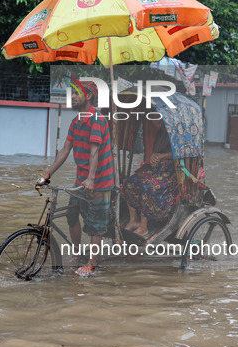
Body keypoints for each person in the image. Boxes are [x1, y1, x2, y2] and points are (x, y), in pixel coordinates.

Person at [41, 81, 114, 277]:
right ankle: (76, 252)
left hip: (99, 181)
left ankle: (91, 264)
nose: (72, 96)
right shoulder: (76, 122)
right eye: (71, 93)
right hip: (81, 179)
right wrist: (48, 174)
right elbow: (65, 150)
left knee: (95, 225)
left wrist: (91, 179)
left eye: (76, 93)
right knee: (72, 215)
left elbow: (95, 151)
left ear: (88, 96)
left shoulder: (97, 120)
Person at [121, 118, 178, 240]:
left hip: (171, 173)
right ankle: (133, 219)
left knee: (148, 187)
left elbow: (180, 153)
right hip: (156, 170)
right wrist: (155, 159)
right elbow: (156, 153)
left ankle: (143, 226)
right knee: (129, 183)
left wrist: (162, 156)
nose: (154, 120)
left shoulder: (176, 133)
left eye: (157, 116)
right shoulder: (160, 133)